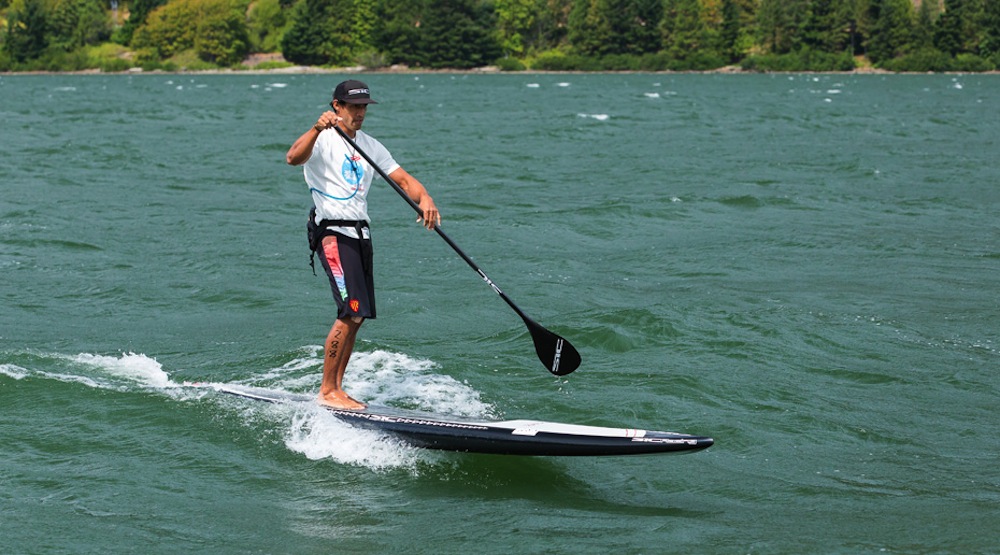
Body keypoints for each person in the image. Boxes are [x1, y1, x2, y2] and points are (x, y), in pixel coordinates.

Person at [286, 80, 441, 410]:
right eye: (353, 107)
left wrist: (424, 197)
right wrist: (316, 127)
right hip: (332, 234)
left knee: (358, 316)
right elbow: (292, 158)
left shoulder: (371, 145)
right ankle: (327, 390)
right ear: (336, 106)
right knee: (350, 311)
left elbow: (403, 180)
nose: (360, 113)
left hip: (361, 235)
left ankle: (337, 388)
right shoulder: (323, 138)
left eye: (364, 107)